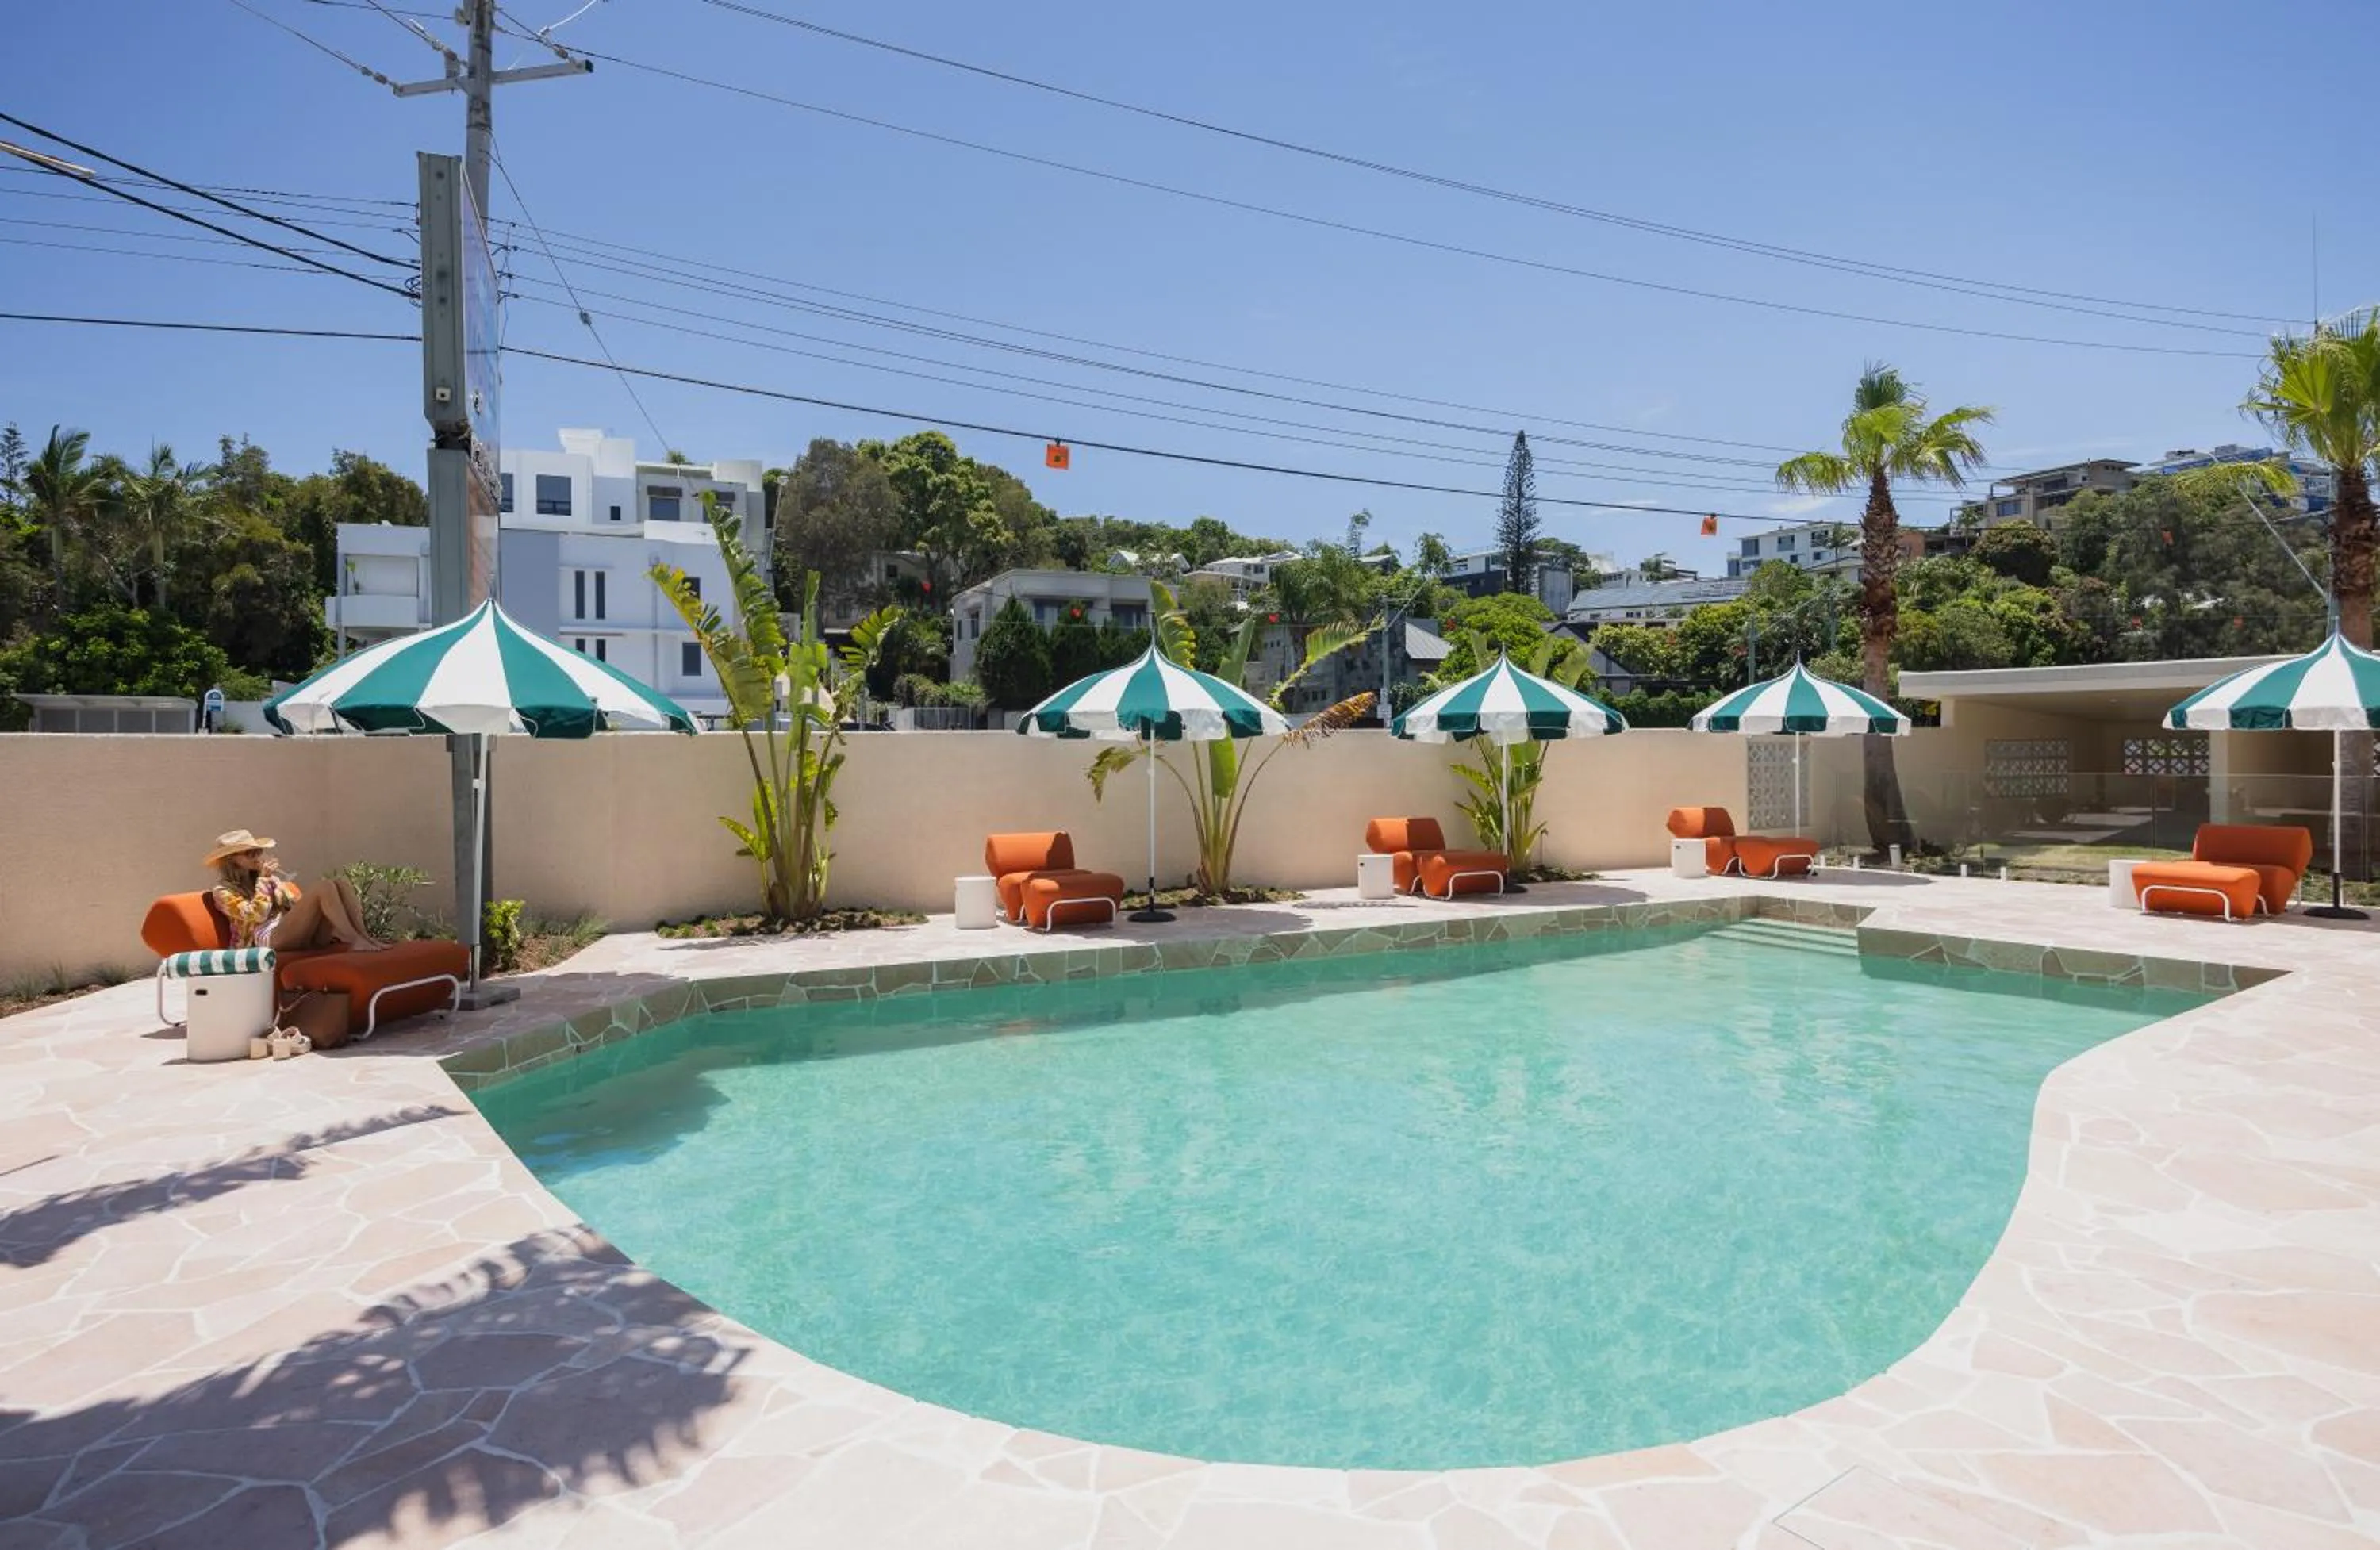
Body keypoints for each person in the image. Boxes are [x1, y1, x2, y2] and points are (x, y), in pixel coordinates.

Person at [205, 830, 385, 952]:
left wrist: (276, 884)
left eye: (258, 851)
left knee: (339, 883)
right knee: (322, 887)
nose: (258, 857)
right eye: (250, 853)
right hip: (264, 940)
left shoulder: (267, 879)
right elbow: (256, 915)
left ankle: (364, 937)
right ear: (231, 859)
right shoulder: (223, 892)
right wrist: (264, 881)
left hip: (290, 931)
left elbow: (295, 906)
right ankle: (353, 940)